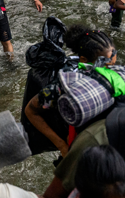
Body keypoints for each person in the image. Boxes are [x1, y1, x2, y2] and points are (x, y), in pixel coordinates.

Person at [24, 25, 116, 157]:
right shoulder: (64, 87)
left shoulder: (110, 77)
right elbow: (31, 111)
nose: (110, 71)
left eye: (112, 66)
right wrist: (61, 145)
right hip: (76, 147)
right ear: (84, 60)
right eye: (106, 66)